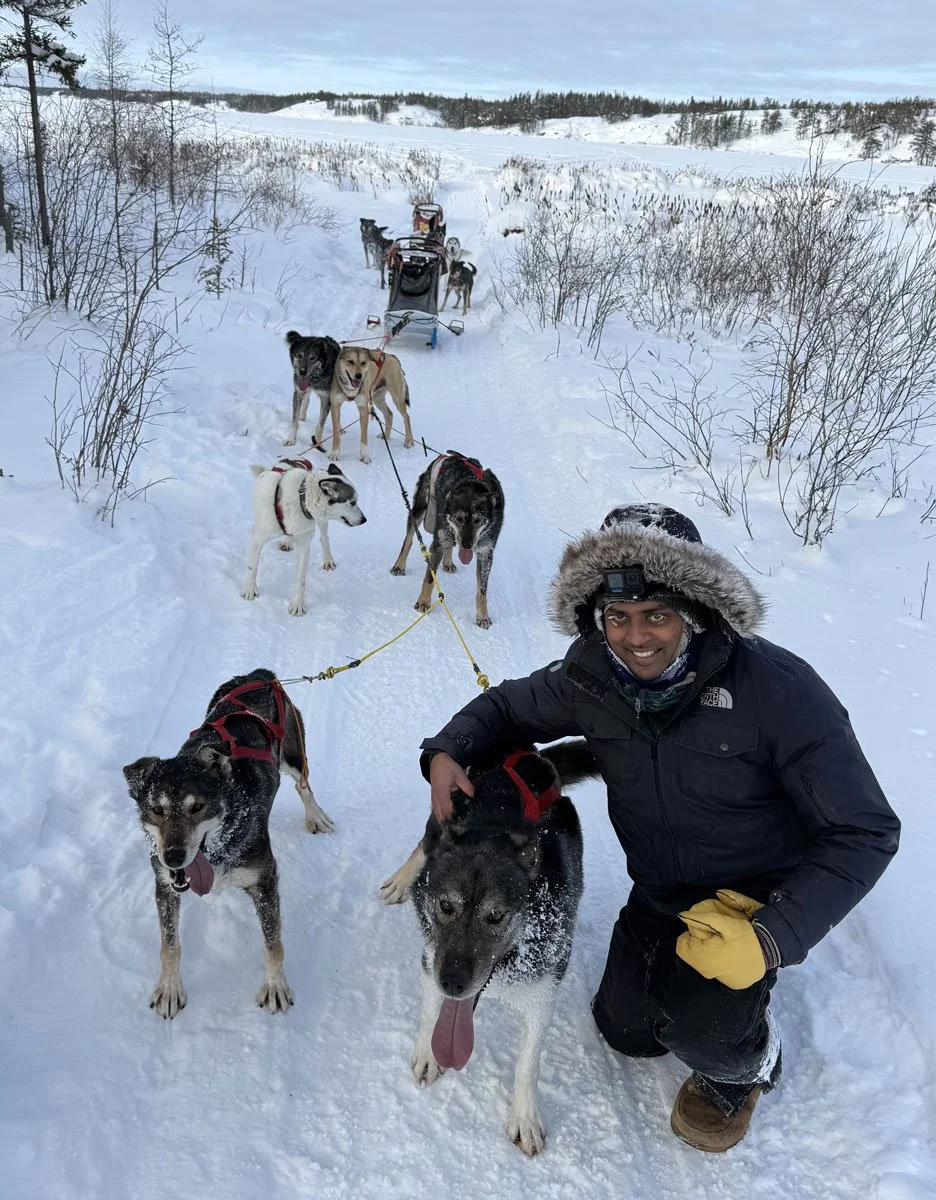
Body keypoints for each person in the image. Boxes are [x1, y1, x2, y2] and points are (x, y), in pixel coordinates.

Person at [418, 504, 900, 1152]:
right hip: (660, 892)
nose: (636, 636)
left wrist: (770, 935)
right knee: (625, 1031)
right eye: (619, 617)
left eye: (657, 614)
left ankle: (750, 1064)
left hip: (748, 899)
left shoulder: (778, 691)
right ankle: (702, 999)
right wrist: (448, 749)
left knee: (701, 1032)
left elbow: (866, 831)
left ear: (695, 608)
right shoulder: (592, 676)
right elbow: (507, 707)